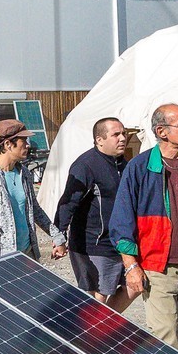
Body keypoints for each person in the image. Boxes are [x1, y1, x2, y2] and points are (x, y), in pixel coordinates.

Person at [109, 103, 178, 354]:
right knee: (166, 340)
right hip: (157, 265)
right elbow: (122, 220)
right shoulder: (140, 167)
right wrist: (131, 266)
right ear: (162, 131)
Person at [54, 117, 132, 310]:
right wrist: (59, 236)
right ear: (99, 140)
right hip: (93, 243)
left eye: (124, 133)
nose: (122, 138)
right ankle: (90, 335)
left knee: (135, 285)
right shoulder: (86, 165)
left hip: (122, 242)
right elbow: (67, 202)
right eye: (116, 134)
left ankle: (101, 329)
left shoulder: (126, 165)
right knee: (98, 296)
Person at [0, 118, 66, 262]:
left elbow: (35, 210)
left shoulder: (24, 173)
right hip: (1, 258)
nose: (27, 145)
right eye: (23, 141)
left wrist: (57, 236)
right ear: (8, 144)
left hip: (28, 253)